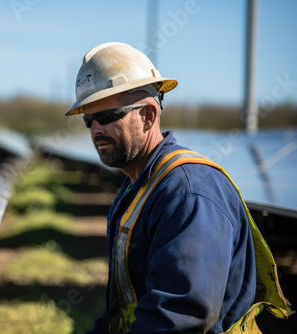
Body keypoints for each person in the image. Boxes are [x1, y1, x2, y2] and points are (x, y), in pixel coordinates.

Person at [64, 42, 291, 334]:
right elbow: (125, 311)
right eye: (88, 120)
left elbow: (178, 316)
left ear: (147, 115)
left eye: (107, 117)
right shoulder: (140, 186)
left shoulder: (188, 192)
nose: (96, 130)